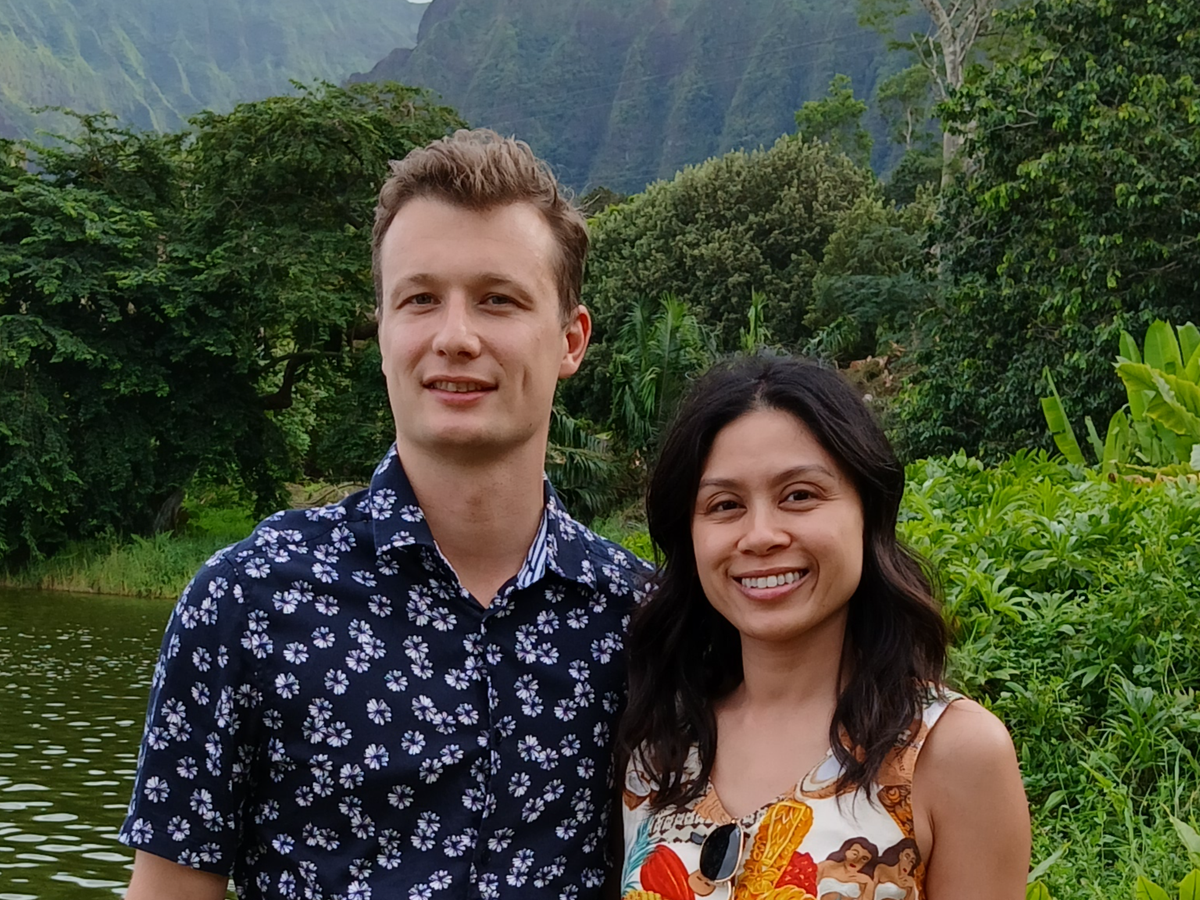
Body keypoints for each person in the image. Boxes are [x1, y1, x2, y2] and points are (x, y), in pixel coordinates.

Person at [118, 129, 653, 900]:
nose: (456, 337)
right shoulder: (248, 601)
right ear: (382, 332)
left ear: (571, 340)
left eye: (498, 300)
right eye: (420, 299)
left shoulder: (643, 622)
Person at [617, 357, 1030, 900]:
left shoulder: (951, 752)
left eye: (799, 495)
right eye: (725, 505)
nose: (760, 535)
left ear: (868, 513)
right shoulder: (659, 749)